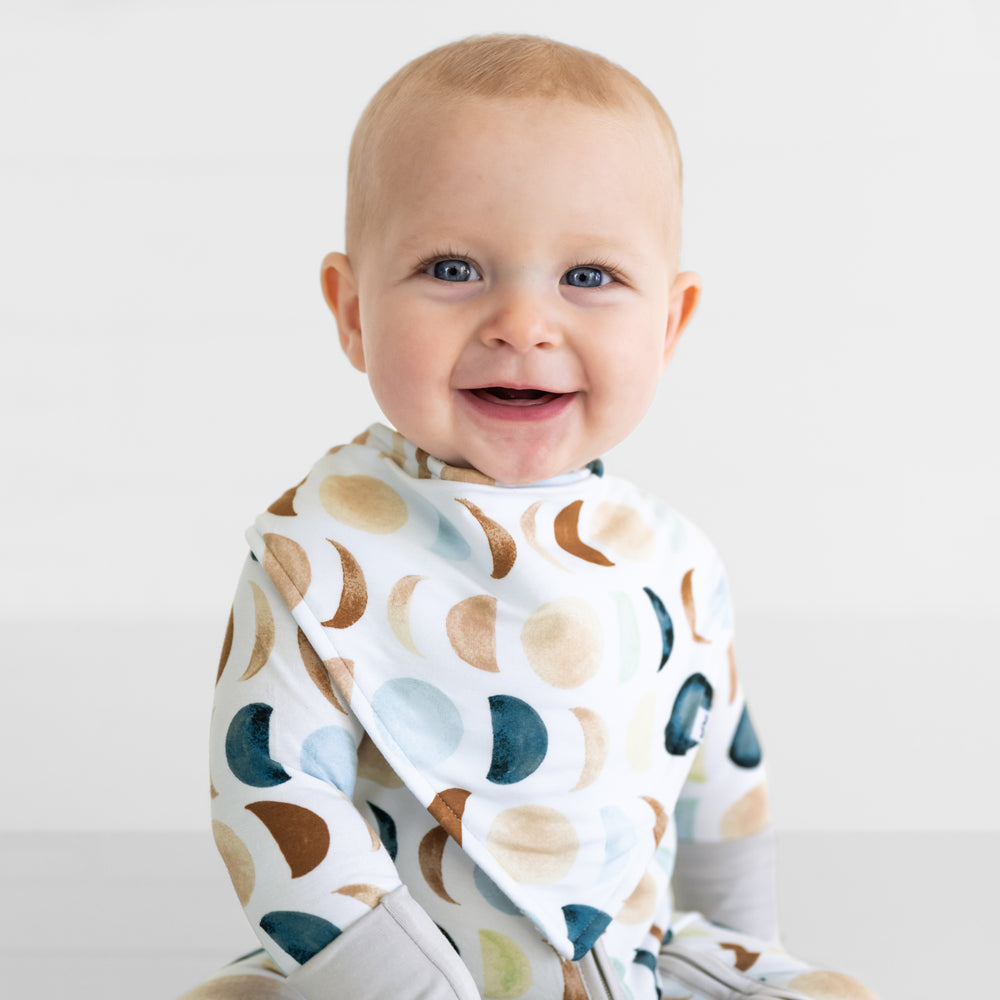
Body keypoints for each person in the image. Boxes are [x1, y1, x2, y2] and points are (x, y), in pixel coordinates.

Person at [182, 34, 880, 1000]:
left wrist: (751, 947)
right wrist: (399, 984)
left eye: (587, 277)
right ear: (351, 311)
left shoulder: (669, 557)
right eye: (454, 268)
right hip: (391, 963)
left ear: (669, 326)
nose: (523, 321)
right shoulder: (319, 552)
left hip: (629, 955)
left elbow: (719, 771)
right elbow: (270, 798)